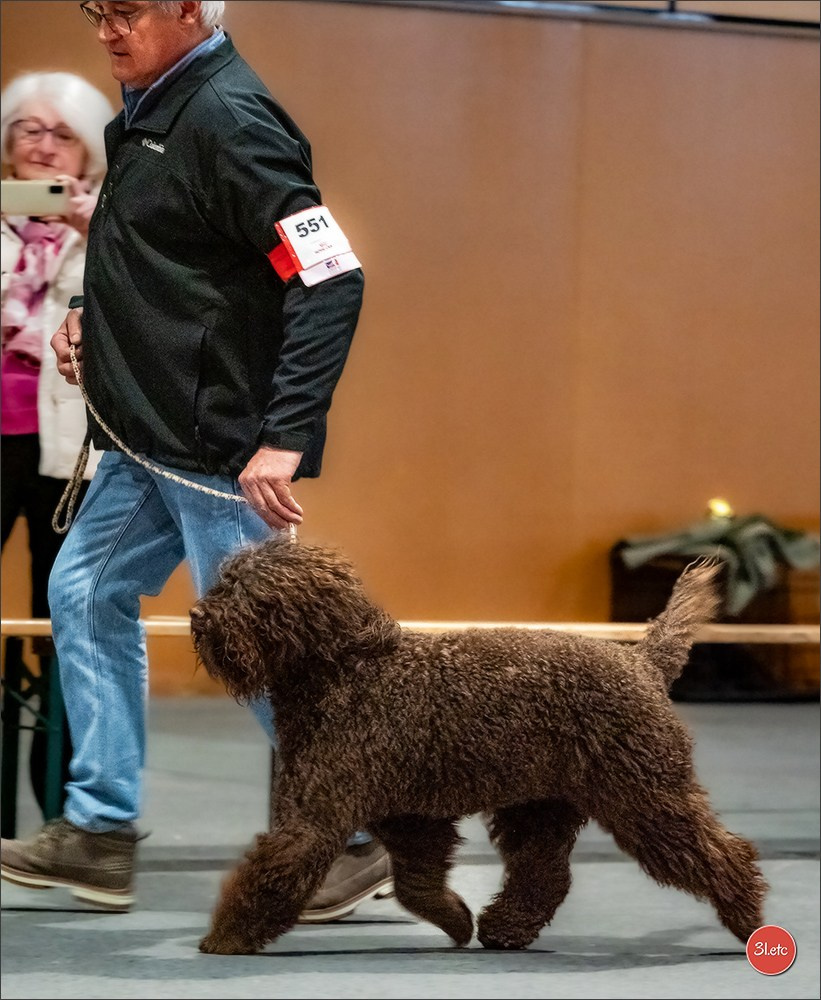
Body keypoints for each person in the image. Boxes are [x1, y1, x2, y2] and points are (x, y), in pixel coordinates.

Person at [0, 1, 391, 921]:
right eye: (95, 10)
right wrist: (93, 320)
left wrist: (286, 436)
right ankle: (98, 833)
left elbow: (331, 277)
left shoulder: (229, 118)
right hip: (145, 441)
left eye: (127, 10)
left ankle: (356, 836)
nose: (106, 29)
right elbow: (172, 265)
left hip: (219, 448)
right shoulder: (144, 109)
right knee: (83, 591)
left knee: (262, 646)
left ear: (188, 9)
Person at [1, 72, 114, 816]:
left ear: (88, 154)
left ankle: (71, 812)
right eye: (27, 130)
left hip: (67, 455)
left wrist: (86, 237)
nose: (42, 148)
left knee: (70, 626)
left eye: (61, 133)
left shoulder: (117, 228)